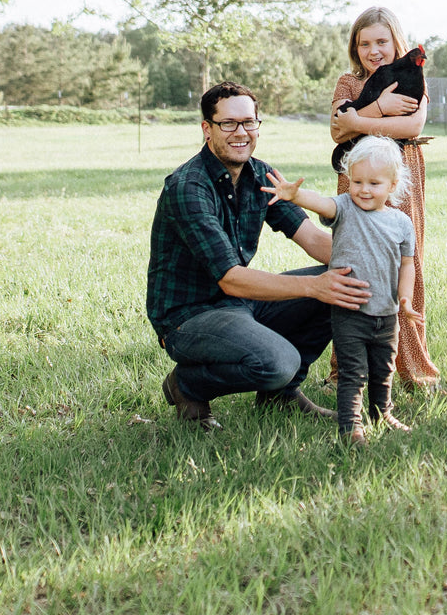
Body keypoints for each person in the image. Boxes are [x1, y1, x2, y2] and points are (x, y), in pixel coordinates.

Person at [147, 81, 371, 431]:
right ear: (207, 129)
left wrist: (370, 261)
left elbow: (312, 238)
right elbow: (231, 279)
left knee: (347, 279)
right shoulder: (188, 187)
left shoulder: (258, 175)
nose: (241, 132)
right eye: (228, 123)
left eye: (249, 122)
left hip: (240, 304)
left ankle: (281, 396)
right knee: (278, 362)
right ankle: (187, 385)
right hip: (188, 317)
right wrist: (315, 287)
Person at [261, 137, 423, 444]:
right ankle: (351, 427)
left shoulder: (401, 223)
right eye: (357, 181)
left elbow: (407, 265)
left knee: (383, 368)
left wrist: (405, 298)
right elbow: (322, 203)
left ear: (392, 185)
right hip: (350, 312)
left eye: (374, 183)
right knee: (353, 371)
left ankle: (382, 413)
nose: (363, 189)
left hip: (387, 315)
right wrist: (296, 196)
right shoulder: (345, 208)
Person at [330, 6, 441, 389]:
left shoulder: (411, 76)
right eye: (364, 44)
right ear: (355, 47)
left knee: (404, 260)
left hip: (400, 174)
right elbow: (337, 132)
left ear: (397, 42)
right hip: (358, 176)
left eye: (381, 41)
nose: (373, 50)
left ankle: (410, 366)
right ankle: (346, 369)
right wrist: (379, 108)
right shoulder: (348, 83)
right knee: (354, 261)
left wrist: (358, 122)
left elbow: (411, 125)